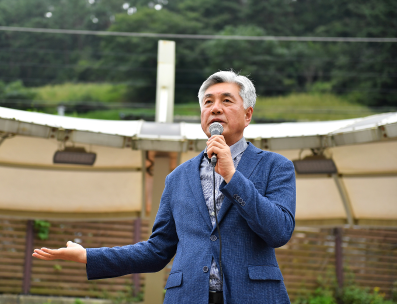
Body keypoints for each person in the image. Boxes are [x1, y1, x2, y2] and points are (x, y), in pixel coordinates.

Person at [33, 71, 296, 304]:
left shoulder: (276, 166)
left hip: (255, 295)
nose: (215, 108)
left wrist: (232, 176)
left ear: (248, 114)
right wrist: (89, 256)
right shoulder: (177, 178)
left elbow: (279, 231)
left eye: (226, 100)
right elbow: (157, 251)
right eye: (208, 102)